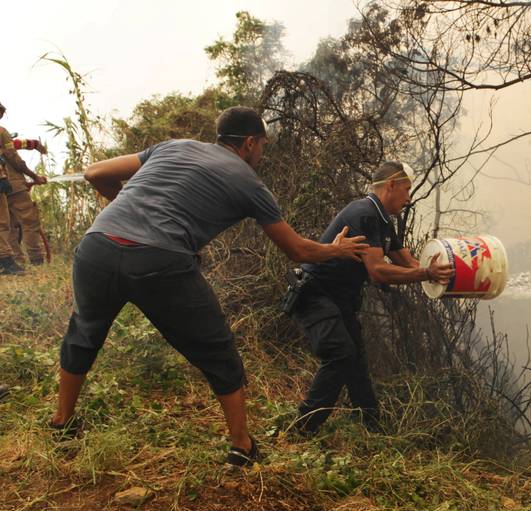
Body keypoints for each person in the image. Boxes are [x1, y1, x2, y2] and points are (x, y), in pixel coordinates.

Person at [49, 106, 368, 468]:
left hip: (98, 246)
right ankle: (242, 446)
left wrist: (125, 210)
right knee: (218, 350)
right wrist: (336, 250)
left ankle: (62, 423)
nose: (261, 152)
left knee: (83, 334)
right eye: (262, 144)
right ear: (249, 143)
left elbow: (94, 173)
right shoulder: (248, 181)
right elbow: (297, 250)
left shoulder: (172, 146)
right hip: (160, 260)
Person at [286, 160, 454, 435]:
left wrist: (444, 276)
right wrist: (426, 273)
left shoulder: (383, 221)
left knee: (356, 362)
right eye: (407, 190)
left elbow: (407, 262)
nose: (409, 199)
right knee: (341, 355)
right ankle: (302, 429)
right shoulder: (363, 213)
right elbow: (378, 272)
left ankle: (374, 429)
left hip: (339, 301)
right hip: (314, 295)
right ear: (391, 185)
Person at [0, 101, 48, 274]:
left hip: (4, 186)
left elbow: (19, 144)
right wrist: (34, 176)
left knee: (8, 225)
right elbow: (14, 157)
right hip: (12, 184)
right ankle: (36, 259)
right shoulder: (2, 132)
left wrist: (34, 144)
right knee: (29, 221)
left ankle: (14, 260)